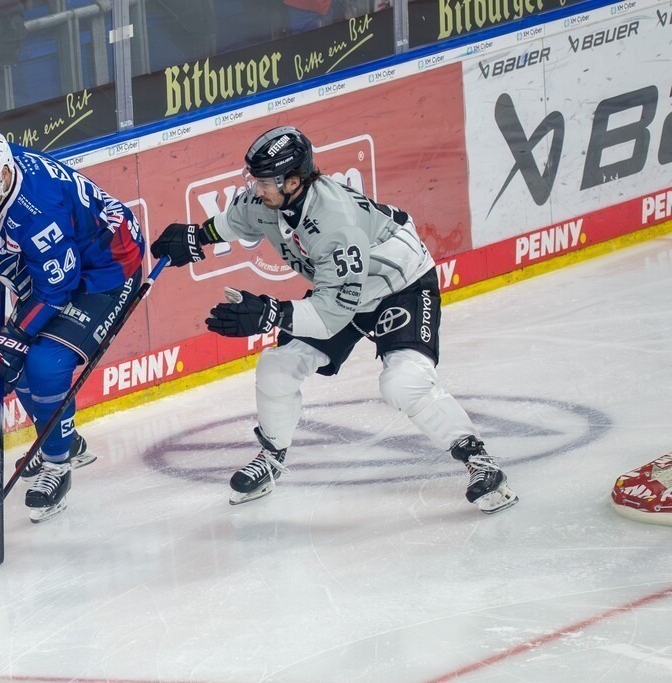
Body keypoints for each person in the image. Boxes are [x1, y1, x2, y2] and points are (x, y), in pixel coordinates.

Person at [150, 125, 518, 514]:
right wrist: (196, 236)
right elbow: (239, 219)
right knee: (276, 367)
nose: (256, 189)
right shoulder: (269, 199)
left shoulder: (335, 224)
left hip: (401, 286)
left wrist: (270, 313)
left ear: (293, 182)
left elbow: (329, 317)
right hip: (343, 291)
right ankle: (272, 456)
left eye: (264, 182)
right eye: (254, 180)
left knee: (403, 382)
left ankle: (480, 461)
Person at [0, 127, 145, 522]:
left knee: (45, 363)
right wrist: (5, 264)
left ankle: (58, 465)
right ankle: (61, 440)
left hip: (109, 269)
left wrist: (14, 337)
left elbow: (58, 288)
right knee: (17, 365)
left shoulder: (38, 212)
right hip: (68, 257)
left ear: (4, 175)